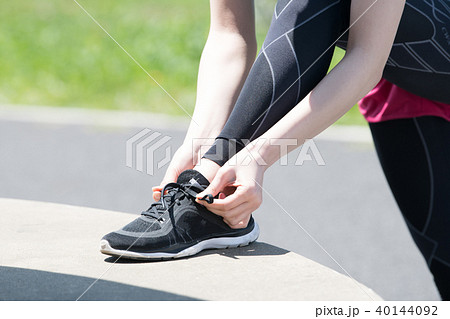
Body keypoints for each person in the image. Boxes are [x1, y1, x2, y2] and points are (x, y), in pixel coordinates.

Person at [100, 0, 449, 299]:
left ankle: (202, 192)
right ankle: (205, 186)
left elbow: (367, 55)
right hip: (410, 86)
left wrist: (256, 156)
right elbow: (229, 36)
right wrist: (200, 142)